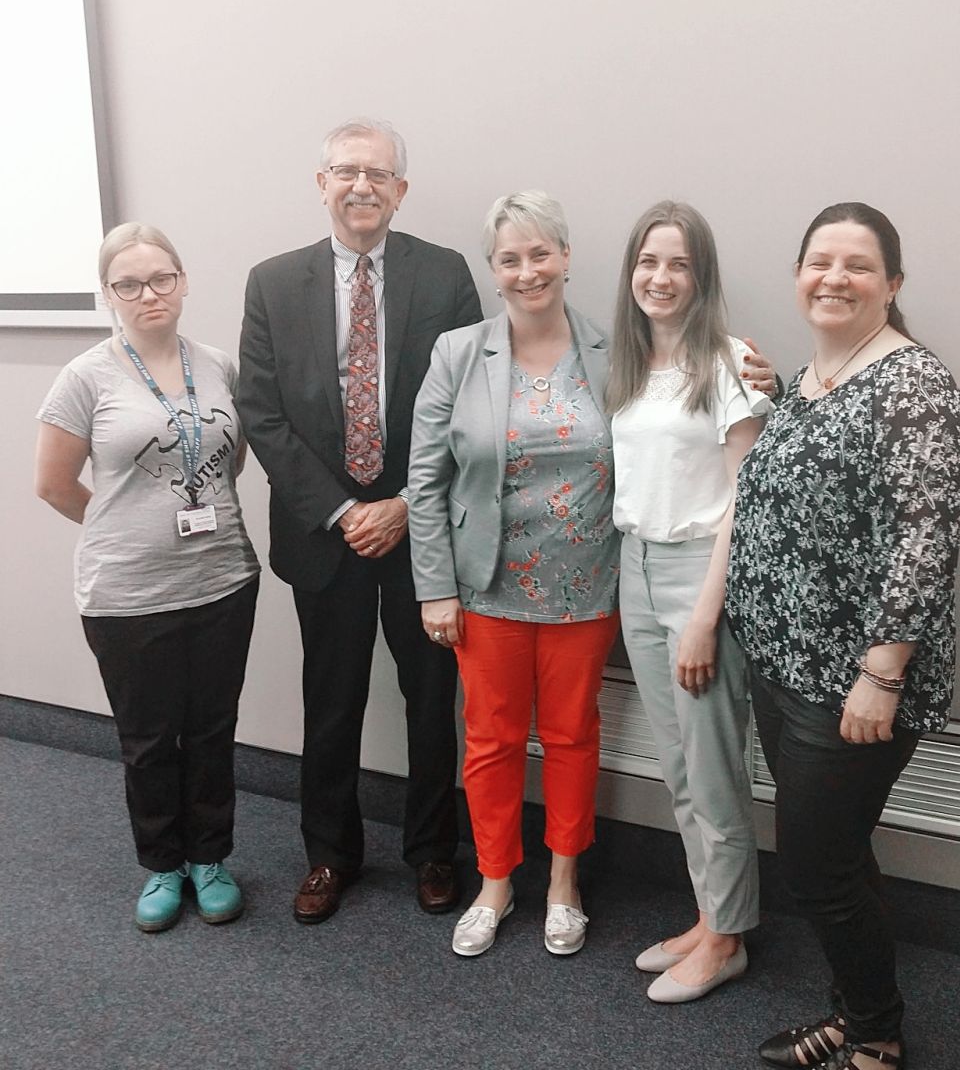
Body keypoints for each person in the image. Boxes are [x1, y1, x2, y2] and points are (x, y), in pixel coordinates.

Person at [725, 203, 960, 1069]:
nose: (834, 278)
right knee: (836, 855)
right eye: (818, 262)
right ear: (798, 275)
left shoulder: (915, 387)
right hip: (784, 665)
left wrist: (883, 673)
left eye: (858, 266)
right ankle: (859, 1012)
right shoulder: (810, 378)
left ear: (892, 285)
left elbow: (923, 539)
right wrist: (772, 393)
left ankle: (874, 1038)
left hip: (853, 681)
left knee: (816, 868)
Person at [236, 118, 482, 923]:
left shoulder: (444, 275)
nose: (361, 186)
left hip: (421, 529)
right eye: (346, 171)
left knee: (431, 699)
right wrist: (345, 511)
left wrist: (405, 504)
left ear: (400, 190)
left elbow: (469, 406)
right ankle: (330, 855)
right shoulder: (273, 283)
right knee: (331, 699)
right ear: (323, 184)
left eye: (378, 174)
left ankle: (433, 851)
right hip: (325, 534)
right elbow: (262, 413)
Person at [407, 191, 621, 958]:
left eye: (540, 254)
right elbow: (425, 480)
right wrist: (435, 586)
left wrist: (753, 373)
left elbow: (677, 414)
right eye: (510, 259)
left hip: (587, 584)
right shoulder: (459, 352)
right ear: (492, 270)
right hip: (486, 585)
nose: (527, 271)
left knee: (571, 736)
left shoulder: (614, 350)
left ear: (565, 256)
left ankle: (564, 883)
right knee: (491, 739)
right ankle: (495, 881)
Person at [34, 222, 260, 933]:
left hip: (223, 580)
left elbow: (232, 459)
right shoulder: (86, 377)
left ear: (183, 280)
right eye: (128, 284)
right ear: (108, 294)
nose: (148, 294)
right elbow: (53, 484)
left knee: (213, 730)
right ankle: (163, 865)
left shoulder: (218, 365)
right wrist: (126, 531)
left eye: (161, 278)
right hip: (127, 596)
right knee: (150, 739)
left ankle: (210, 859)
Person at [607, 202, 771, 1003]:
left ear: (700, 276)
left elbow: (747, 498)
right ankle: (710, 918)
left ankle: (729, 940)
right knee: (677, 767)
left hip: (700, 577)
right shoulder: (630, 365)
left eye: (678, 264)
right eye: (648, 261)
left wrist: (706, 616)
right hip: (634, 569)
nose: (660, 278)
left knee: (712, 772)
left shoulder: (728, 362)